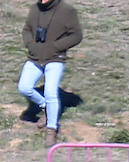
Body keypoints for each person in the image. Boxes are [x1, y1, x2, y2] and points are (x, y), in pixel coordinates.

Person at [18, 0, 84, 146]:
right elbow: (27, 30)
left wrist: (56, 47)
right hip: (35, 58)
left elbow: (76, 35)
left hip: (55, 59)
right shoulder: (35, 8)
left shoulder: (67, 10)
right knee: (24, 87)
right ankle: (45, 106)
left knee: (50, 92)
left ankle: (51, 129)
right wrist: (30, 45)